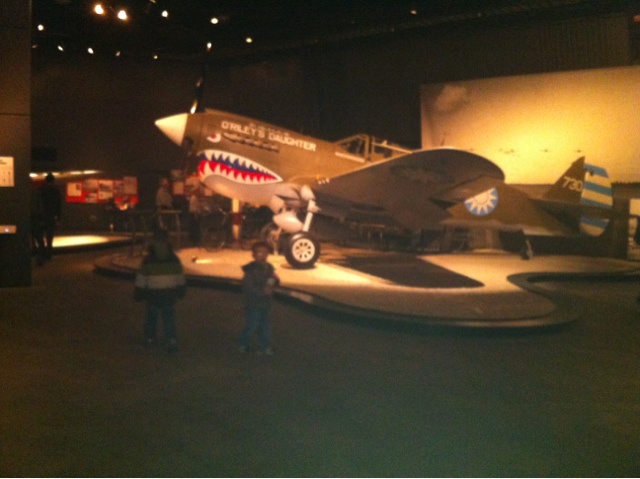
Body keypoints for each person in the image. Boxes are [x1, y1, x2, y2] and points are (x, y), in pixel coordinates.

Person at [134, 228, 186, 352]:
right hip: (169, 293)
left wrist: (139, 293)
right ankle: (171, 339)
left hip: (153, 294)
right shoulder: (174, 259)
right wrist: (181, 290)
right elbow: (180, 277)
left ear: (153, 241)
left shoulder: (147, 260)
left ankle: (149, 338)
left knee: (151, 317)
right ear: (168, 241)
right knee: (169, 317)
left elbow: (141, 279)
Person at [237, 241, 280, 355]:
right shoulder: (250, 270)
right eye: (259, 253)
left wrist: (273, 283)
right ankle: (243, 344)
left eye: (265, 253)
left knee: (265, 326)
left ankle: (265, 346)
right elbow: (248, 287)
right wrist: (262, 292)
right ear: (254, 255)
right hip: (253, 303)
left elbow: (273, 280)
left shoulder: (269, 267)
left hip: (265, 303)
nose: (263, 255)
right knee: (252, 325)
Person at [34, 173, 62, 264]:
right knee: (49, 236)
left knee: (40, 235)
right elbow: (58, 205)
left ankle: (41, 252)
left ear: (45, 180)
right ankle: (49, 253)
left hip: (41, 216)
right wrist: (58, 217)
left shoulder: (41, 189)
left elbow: (37, 203)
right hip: (51, 216)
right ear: (53, 181)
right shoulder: (56, 191)